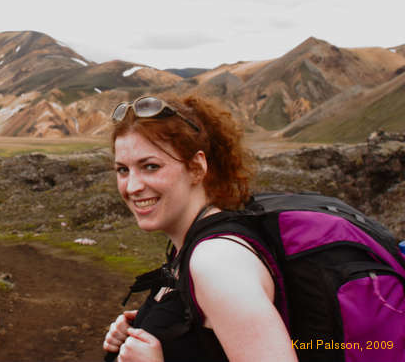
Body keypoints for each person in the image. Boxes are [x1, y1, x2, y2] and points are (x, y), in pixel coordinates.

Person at [102, 96, 296, 362]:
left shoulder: (216, 262)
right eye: (123, 170)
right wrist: (142, 327)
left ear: (196, 168)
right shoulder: (189, 249)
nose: (132, 186)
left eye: (150, 166)